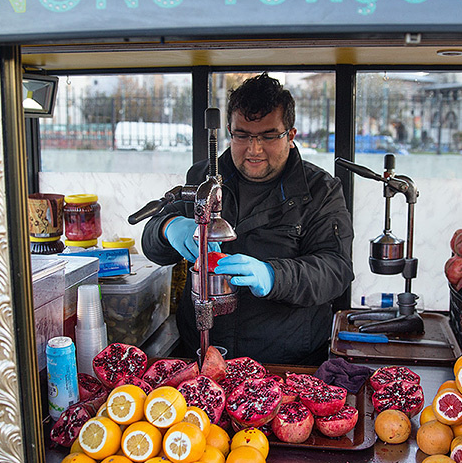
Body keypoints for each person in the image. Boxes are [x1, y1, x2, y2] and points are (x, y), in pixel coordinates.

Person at [142, 73, 354, 365]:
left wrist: (274, 275)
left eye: (268, 136)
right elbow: (152, 243)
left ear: (291, 135)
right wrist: (169, 228)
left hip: (285, 360)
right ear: (229, 131)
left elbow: (336, 269)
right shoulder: (204, 177)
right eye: (242, 135)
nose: (254, 149)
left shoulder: (320, 190)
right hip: (203, 352)